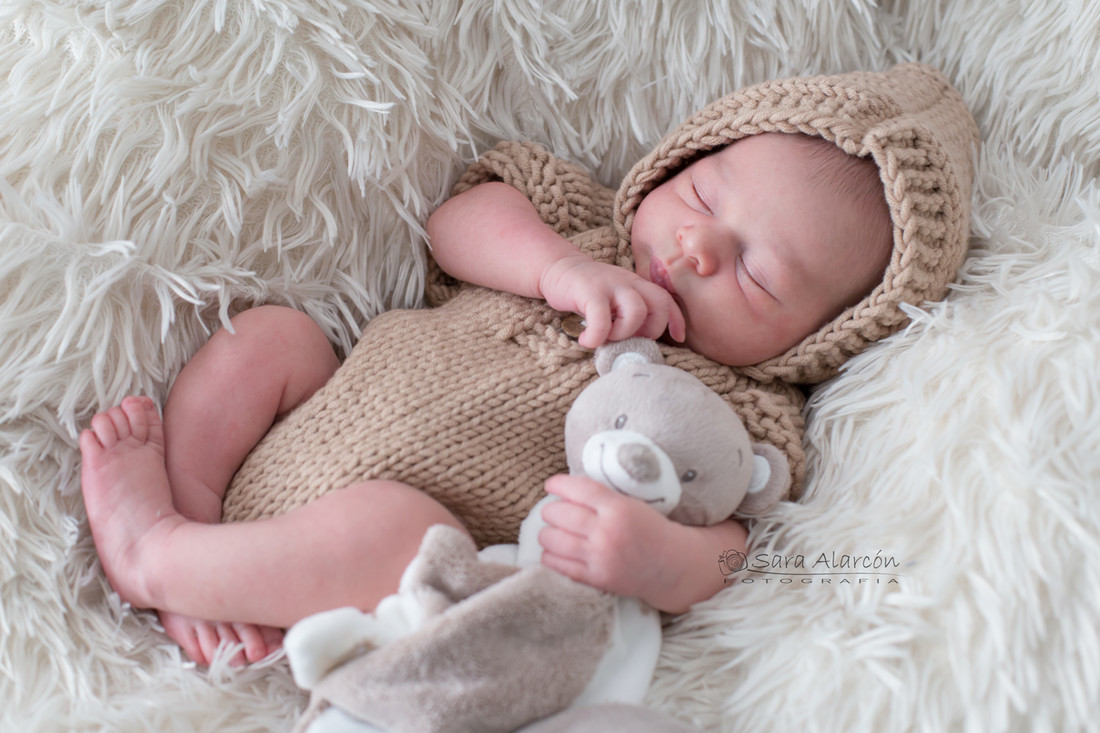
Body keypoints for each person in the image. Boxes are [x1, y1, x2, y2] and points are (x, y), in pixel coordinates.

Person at [78, 63, 980, 667]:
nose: (699, 245)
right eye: (702, 194)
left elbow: (738, 549)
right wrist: (557, 268)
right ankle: (191, 515)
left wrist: (660, 558)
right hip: (312, 415)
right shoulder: (582, 229)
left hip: (390, 561)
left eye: (756, 273)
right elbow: (457, 220)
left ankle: (161, 558)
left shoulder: (746, 408)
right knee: (273, 337)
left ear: (817, 339)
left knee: (402, 530)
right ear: (682, 157)